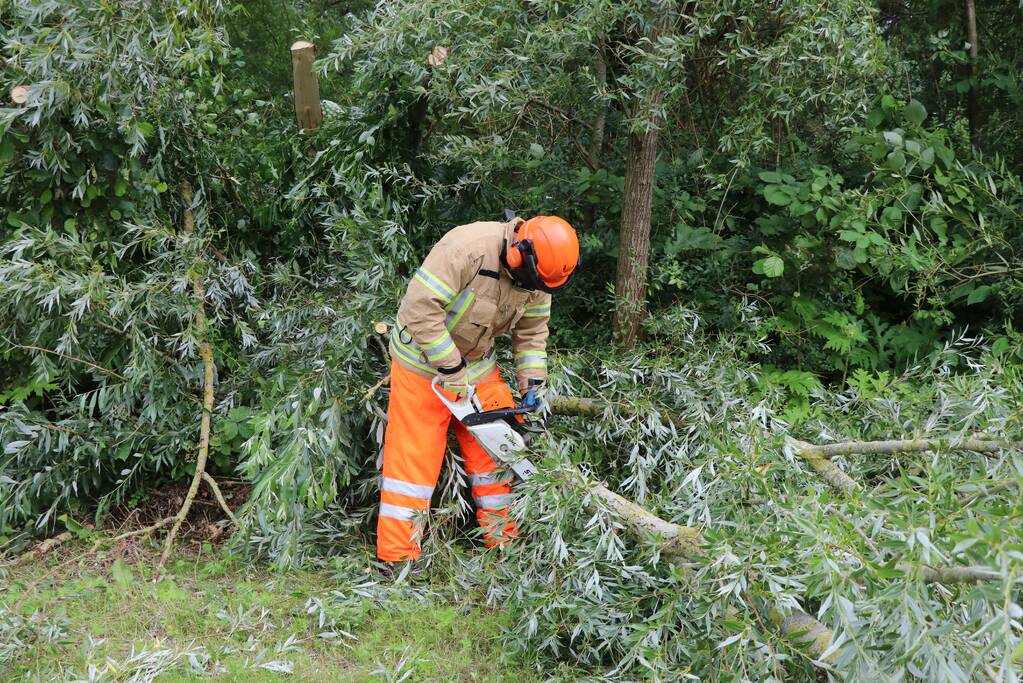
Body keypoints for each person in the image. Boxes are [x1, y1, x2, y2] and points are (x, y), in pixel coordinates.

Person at [377, 214, 580, 563]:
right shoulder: (467, 248)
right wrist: (451, 369)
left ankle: (504, 544)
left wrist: (532, 384)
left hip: (478, 365)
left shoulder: (539, 276)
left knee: (498, 453)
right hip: (422, 364)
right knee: (413, 463)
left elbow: (531, 333)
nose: (535, 290)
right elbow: (420, 309)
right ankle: (397, 559)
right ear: (519, 254)